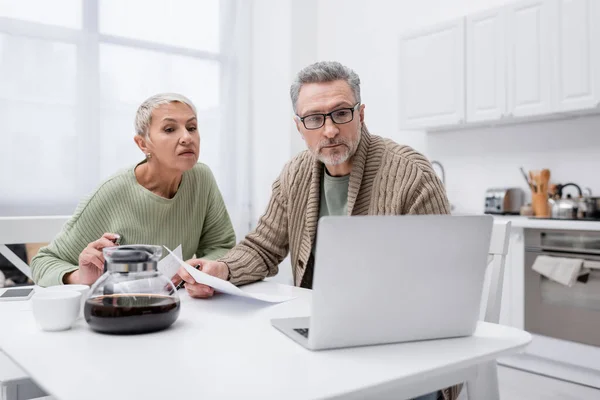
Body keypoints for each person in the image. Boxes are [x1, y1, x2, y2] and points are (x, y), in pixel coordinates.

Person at [176, 62, 457, 399]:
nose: (329, 131)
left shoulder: (411, 173)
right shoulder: (295, 173)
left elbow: (445, 279)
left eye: (341, 114)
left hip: (402, 350)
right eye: (314, 118)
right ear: (299, 126)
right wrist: (222, 269)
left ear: (361, 114)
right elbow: (264, 247)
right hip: (320, 340)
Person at [31, 93, 236, 287]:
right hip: (120, 313)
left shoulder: (201, 178)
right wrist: (80, 276)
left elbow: (221, 246)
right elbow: (43, 262)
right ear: (143, 144)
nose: (186, 137)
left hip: (179, 307)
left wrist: (197, 271)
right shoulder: (111, 192)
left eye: (191, 127)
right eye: (169, 129)